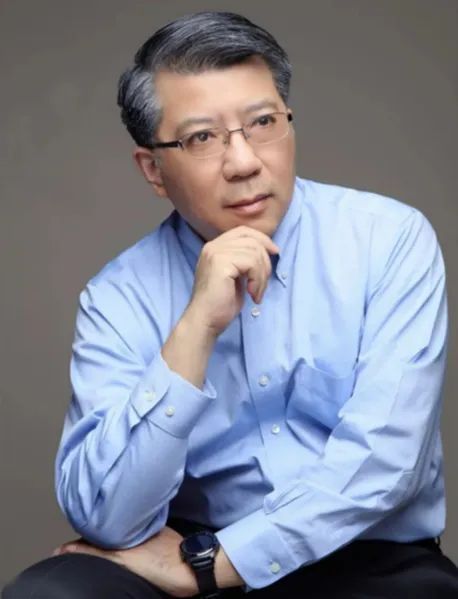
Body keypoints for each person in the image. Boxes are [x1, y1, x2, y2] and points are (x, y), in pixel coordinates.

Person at [3, 10, 458, 599]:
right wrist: (195, 326)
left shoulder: (387, 240)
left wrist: (209, 567)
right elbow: (104, 516)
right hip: (184, 543)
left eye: (263, 122)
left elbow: (385, 465)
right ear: (153, 169)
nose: (244, 162)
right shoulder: (117, 296)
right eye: (202, 138)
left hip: (365, 557)